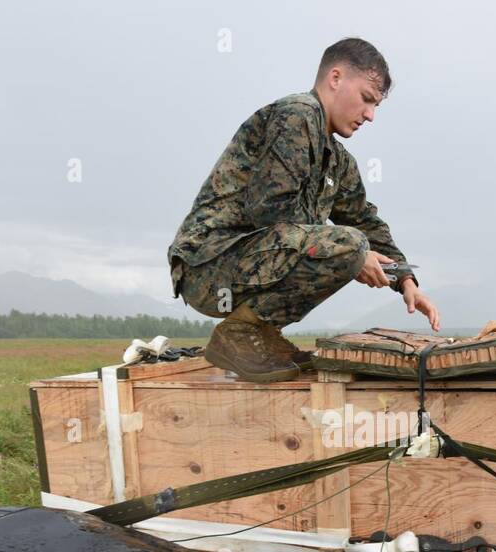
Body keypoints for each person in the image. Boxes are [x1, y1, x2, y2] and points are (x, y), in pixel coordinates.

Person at [167, 37, 440, 382]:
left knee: (354, 243)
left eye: (375, 107)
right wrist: (353, 256)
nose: (369, 116)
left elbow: (363, 220)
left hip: (246, 264)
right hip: (207, 264)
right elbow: (270, 210)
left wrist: (406, 281)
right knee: (351, 247)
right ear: (336, 78)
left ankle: (258, 332)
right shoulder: (298, 115)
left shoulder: (337, 160)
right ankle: (237, 335)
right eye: (366, 100)